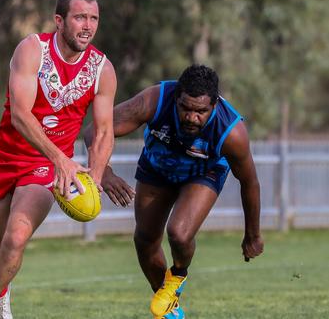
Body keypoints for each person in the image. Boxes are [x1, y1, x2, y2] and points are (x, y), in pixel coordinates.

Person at [0, 0, 117, 319]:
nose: (87, 26)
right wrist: (61, 157)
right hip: (5, 158)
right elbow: (20, 115)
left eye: (93, 18)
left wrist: (97, 174)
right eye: (79, 17)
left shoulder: (102, 70)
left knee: (15, 239)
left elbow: (104, 131)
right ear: (59, 21)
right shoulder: (33, 50)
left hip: (45, 166)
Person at [84, 64, 264, 319]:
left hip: (203, 172)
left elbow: (250, 182)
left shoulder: (231, 131)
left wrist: (253, 235)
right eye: (185, 108)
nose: (192, 117)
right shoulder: (155, 100)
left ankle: (178, 275)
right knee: (144, 240)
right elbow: (95, 131)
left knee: (179, 233)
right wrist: (104, 171)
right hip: (157, 167)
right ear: (176, 98)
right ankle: (169, 309)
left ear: (214, 105)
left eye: (201, 111)